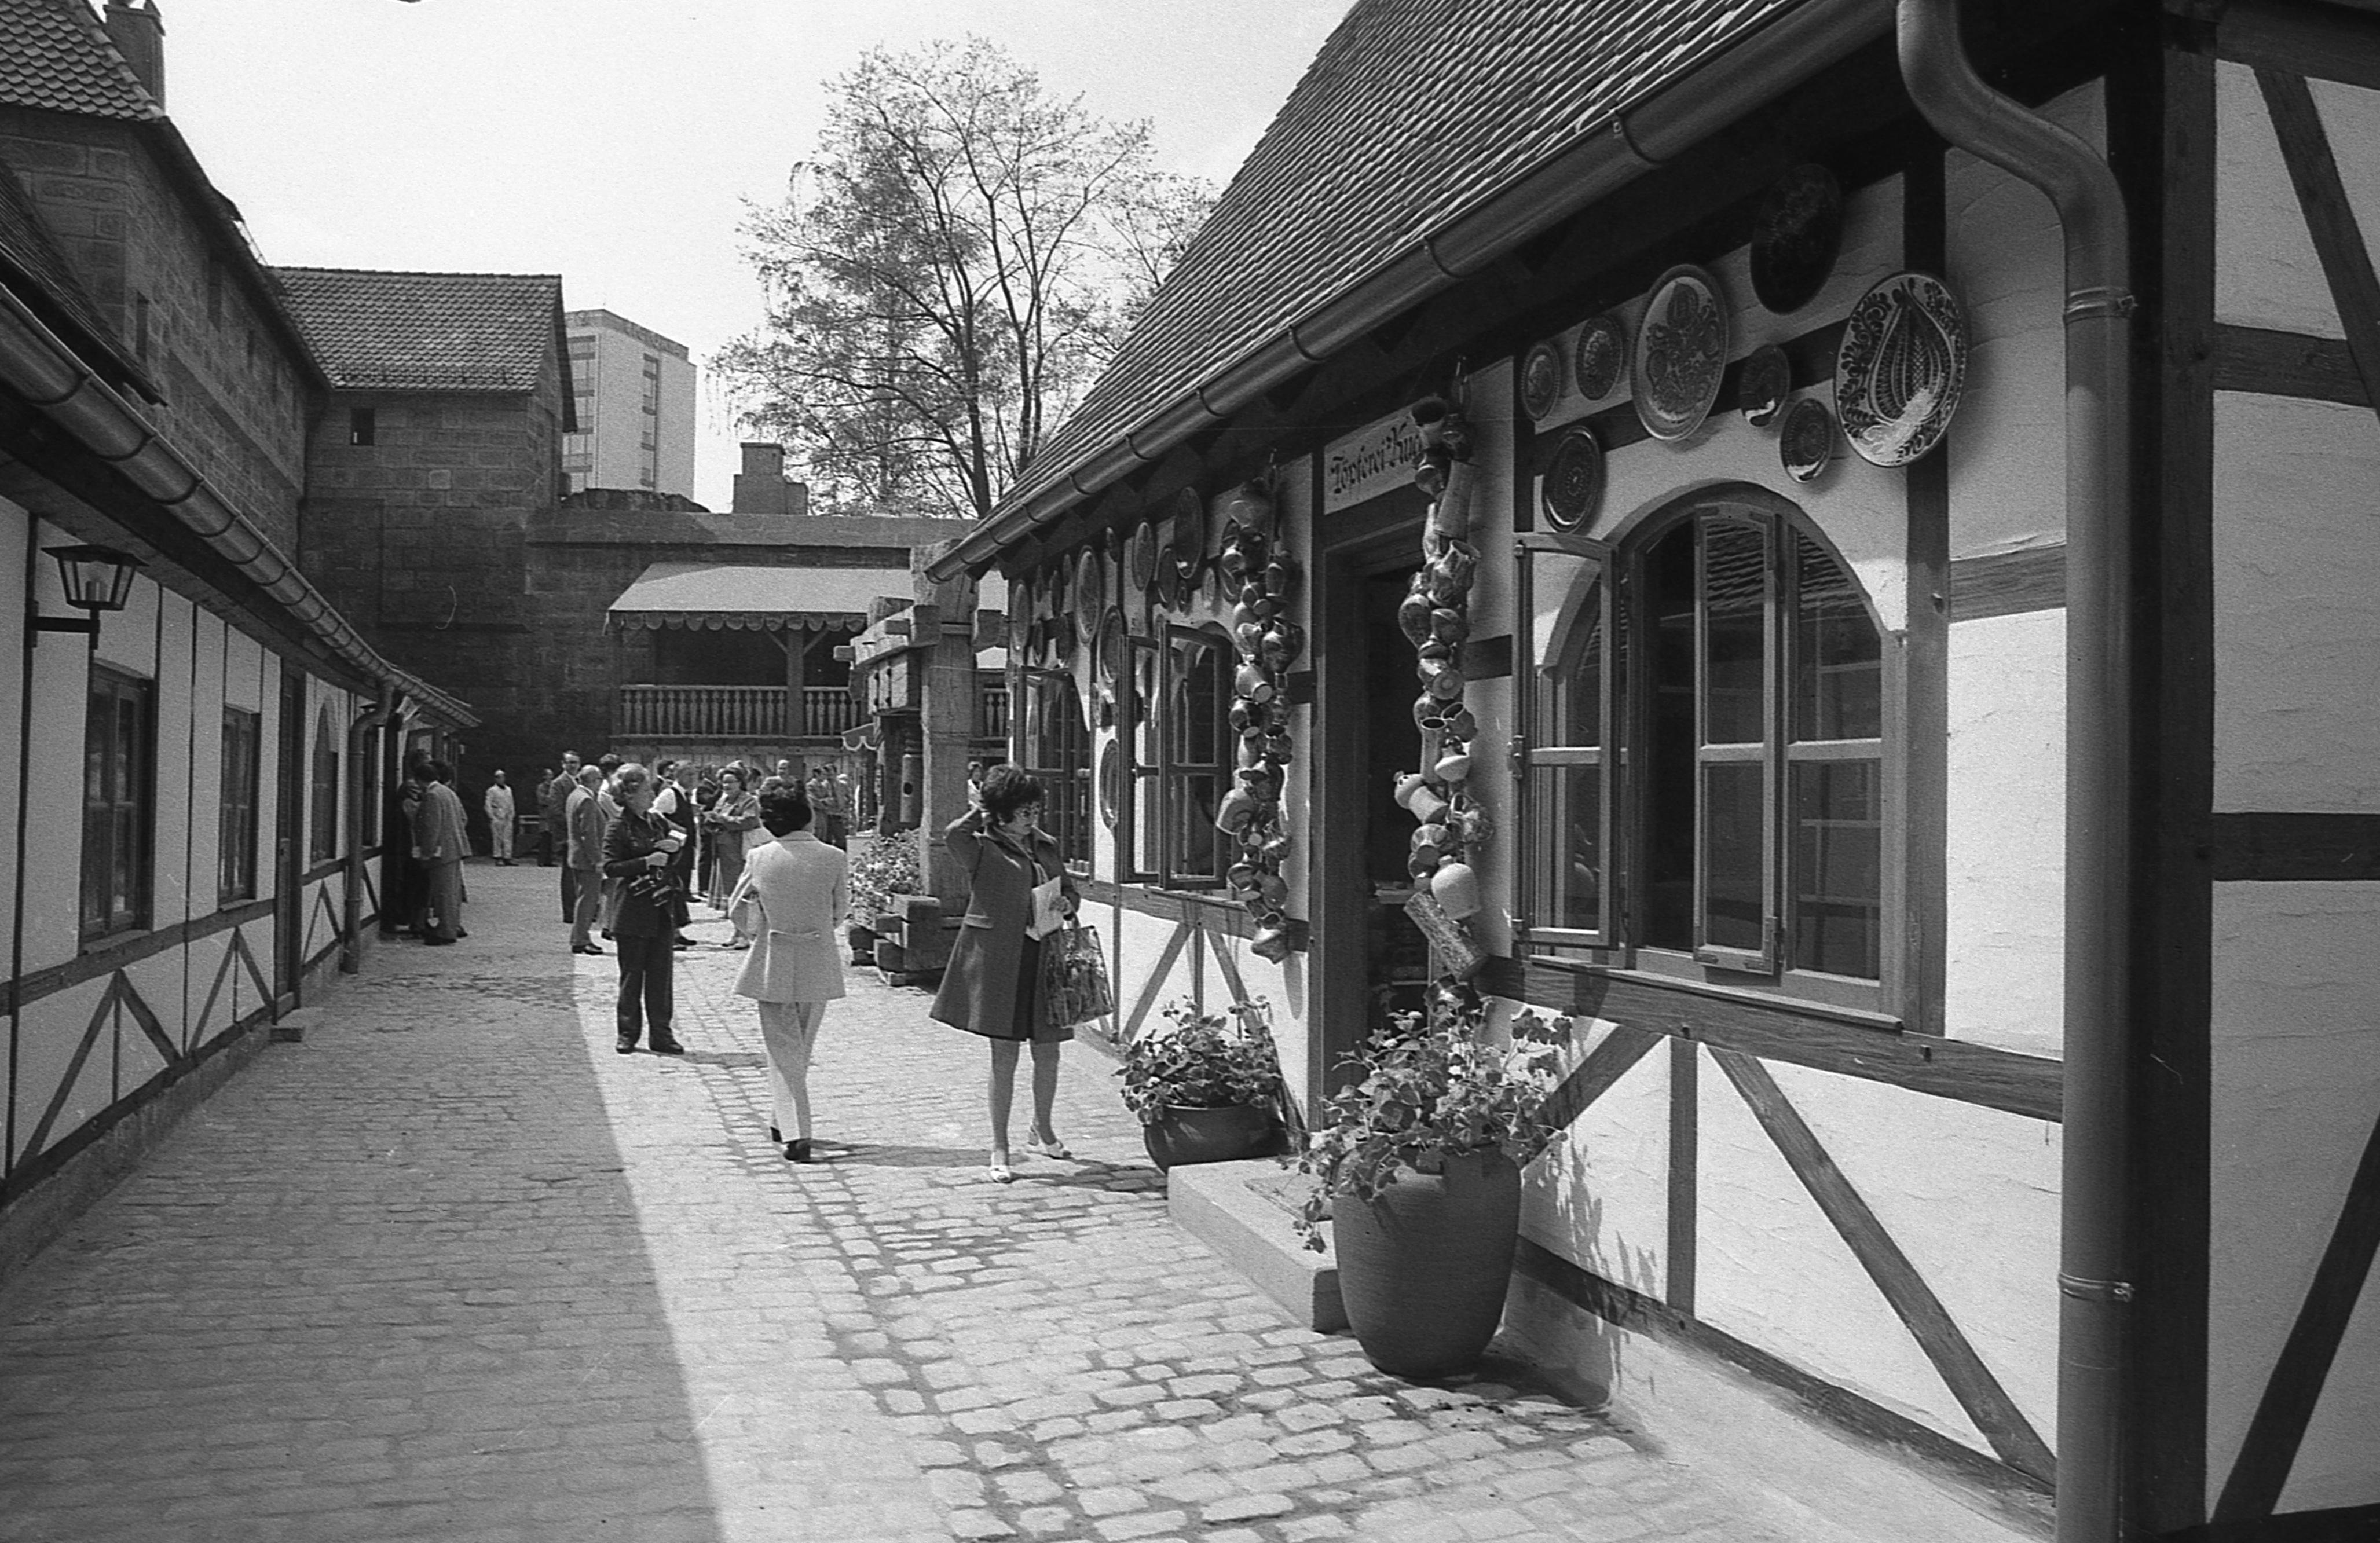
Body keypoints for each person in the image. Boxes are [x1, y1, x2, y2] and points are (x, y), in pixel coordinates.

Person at [931, 763, 1079, 1183]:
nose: (1031, 817)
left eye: (1034, 808)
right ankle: (1000, 1144)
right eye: (1021, 810)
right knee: (1005, 1055)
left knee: (1049, 1051)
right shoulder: (979, 846)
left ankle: (1043, 1127)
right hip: (1000, 960)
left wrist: (1068, 903)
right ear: (1002, 811)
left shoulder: (1045, 845)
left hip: (1044, 955)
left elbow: (1068, 888)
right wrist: (982, 809)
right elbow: (951, 835)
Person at [729, 785, 848, 1162]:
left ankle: (797, 1133)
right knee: (798, 1047)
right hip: (817, 956)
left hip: (773, 958)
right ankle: (783, 1120)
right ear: (806, 813)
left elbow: (737, 908)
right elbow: (840, 911)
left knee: (784, 1050)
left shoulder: (759, 856)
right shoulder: (834, 856)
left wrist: (757, 930)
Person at [602, 763, 687, 1054]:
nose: (653, 794)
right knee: (632, 976)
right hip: (632, 911)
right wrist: (645, 862)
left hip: (660, 907)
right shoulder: (618, 826)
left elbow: (676, 846)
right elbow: (610, 867)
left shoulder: (657, 822)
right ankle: (628, 1033)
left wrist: (673, 849)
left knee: (661, 977)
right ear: (630, 794)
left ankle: (661, 1035)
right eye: (648, 790)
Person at [408, 759, 468, 945]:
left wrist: (426, 851)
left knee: (443, 893)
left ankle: (446, 932)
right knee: (451, 892)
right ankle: (452, 926)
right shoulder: (447, 792)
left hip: (441, 852)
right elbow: (462, 818)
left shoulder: (433, 795)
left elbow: (431, 826)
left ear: (420, 780)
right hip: (454, 849)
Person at [705, 767, 762, 945]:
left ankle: (745, 934)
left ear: (741, 783)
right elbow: (713, 820)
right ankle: (736, 932)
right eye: (724, 782)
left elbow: (750, 821)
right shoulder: (722, 800)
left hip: (740, 851)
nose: (727, 785)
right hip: (723, 850)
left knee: (743, 891)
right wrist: (710, 821)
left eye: (731, 782)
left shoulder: (749, 801)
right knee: (731, 892)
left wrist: (723, 820)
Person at [565, 765, 606, 955]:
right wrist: (598, 860)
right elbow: (588, 834)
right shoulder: (587, 800)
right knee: (588, 901)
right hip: (586, 860)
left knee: (584, 899)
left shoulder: (575, 795)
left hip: (577, 857)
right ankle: (581, 939)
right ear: (594, 780)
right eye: (599, 779)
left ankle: (579, 937)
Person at [548, 752, 583, 908]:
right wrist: (574, 827)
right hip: (568, 835)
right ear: (563, 764)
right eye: (570, 763)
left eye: (575, 762)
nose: (573, 766)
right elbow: (556, 810)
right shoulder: (558, 783)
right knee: (569, 873)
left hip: (581, 833)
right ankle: (570, 909)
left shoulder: (580, 781)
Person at [806, 765, 847, 848]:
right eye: (826, 775)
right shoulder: (819, 785)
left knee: (841, 840)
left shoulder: (841, 785)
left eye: (831, 774)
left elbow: (846, 798)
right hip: (825, 815)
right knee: (825, 840)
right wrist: (825, 803)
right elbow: (815, 801)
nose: (828, 777)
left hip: (838, 815)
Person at [484, 770, 517, 866]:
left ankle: (507, 856)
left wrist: (512, 814)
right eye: (499, 777)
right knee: (498, 838)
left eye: (503, 777)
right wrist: (491, 816)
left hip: (507, 816)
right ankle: (498, 857)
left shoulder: (508, 790)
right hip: (497, 816)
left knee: (508, 837)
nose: (502, 779)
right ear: (496, 779)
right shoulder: (492, 790)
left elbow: (511, 803)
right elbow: (488, 804)